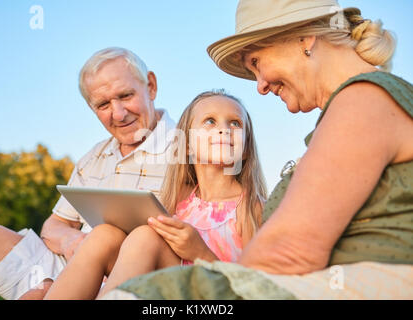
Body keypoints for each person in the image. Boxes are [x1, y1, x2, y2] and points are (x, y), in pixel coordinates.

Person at [101, 0, 413, 300]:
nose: (260, 85)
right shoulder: (361, 102)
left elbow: (289, 253)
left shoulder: (363, 101)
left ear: (304, 36)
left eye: (256, 63)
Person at [0, 47, 176, 300]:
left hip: (137, 279)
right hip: (70, 267)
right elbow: (54, 226)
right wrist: (72, 242)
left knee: (105, 239)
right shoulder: (93, 158)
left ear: (150, 86)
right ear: (91, 107)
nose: (118, 113)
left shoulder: (188, 150)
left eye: (126, 95)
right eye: (103, 104)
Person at [44, 89, 268, 299]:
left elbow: (255, 291)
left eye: (235, 123)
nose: (224, 129)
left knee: (146, 237)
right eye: (210, 121)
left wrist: (199, 253)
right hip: (168, 285)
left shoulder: (251, 208)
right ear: (186, 144)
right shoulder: (180, 198)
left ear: (246, 147)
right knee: (104, 235)